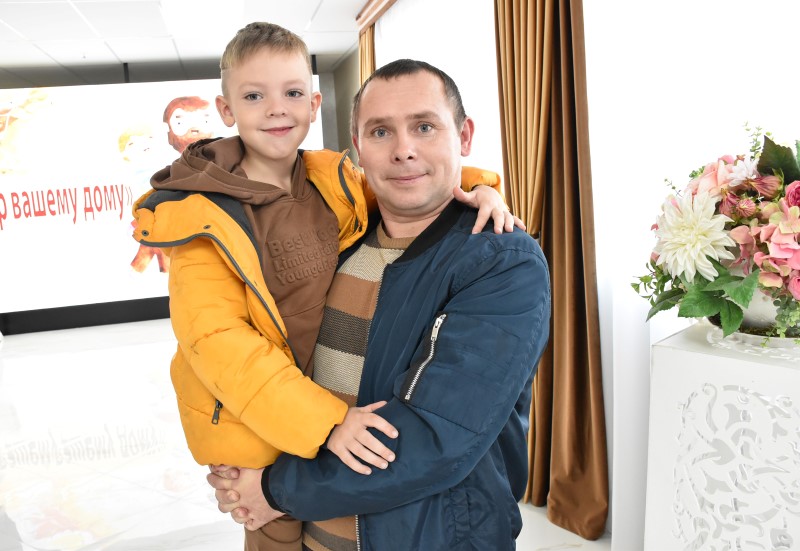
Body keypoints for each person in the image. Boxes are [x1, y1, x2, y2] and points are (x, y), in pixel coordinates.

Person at [132, 23, 519, 551]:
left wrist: (480, 188)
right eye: (254, 96)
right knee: (274, 534)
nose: (276, 109)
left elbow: (404, 183)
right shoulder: (202, 216)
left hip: (324, 417)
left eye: (292, 93)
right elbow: (220, 344)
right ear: (226, 110)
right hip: (258, 426)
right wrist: (327, 423)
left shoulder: (331, 182)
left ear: (314, 105)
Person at [207, 58, 552, 551]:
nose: (403, 150)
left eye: (425, 127)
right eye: (380, 131)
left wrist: (274, 490)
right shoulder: (334, 242)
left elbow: (435, 438)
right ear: (358, 149)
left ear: (464, 136)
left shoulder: (500, 261)